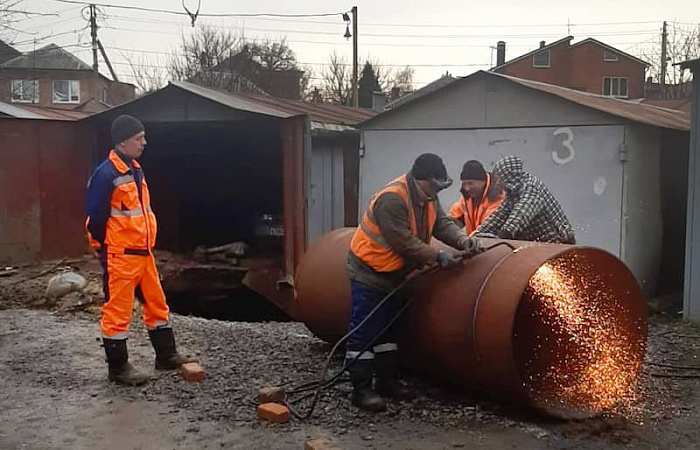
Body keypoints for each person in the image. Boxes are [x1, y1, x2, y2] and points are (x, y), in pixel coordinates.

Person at [346, 153, 483, 412]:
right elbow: (403, 241)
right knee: (365, 331)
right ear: (421, 180)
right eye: (434, 187)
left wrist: (463, 240)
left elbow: (442, 224)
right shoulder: (392, 199)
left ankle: (386, 382)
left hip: (397, 274)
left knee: (390, 331)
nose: (436, 193)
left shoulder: (427, 196)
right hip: (371, 271)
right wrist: (438, 256)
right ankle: (361, 389)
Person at [85, 114, 194, 386]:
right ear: (123, 141)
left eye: (143, 137)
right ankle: (118, 369)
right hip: (121, 256)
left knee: (156, 305)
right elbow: (95, 219)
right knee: (118, 312)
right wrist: (107, 251)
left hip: (143, 255)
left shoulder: (135, 169)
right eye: (138, 138)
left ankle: (166, 355)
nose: (144, 142)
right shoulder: (106, 174)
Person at [474, 155, 575, 244]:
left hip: (558, 242)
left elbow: (522, 214)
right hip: (540, 244)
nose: (497, 183)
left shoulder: (531, 187)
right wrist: (476, 236)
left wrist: (504, 234)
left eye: (499, 178)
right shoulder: (513, 193)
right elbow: (498, 217)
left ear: (508, 176)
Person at [449, 160, 505, 235]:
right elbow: (457, 217)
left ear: (483, 181)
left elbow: (487, 229)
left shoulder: (497, 198)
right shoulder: (468, 196)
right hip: (475, 241)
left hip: (491, 242)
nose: (467, 188)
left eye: (470, 183)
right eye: (464, 183)